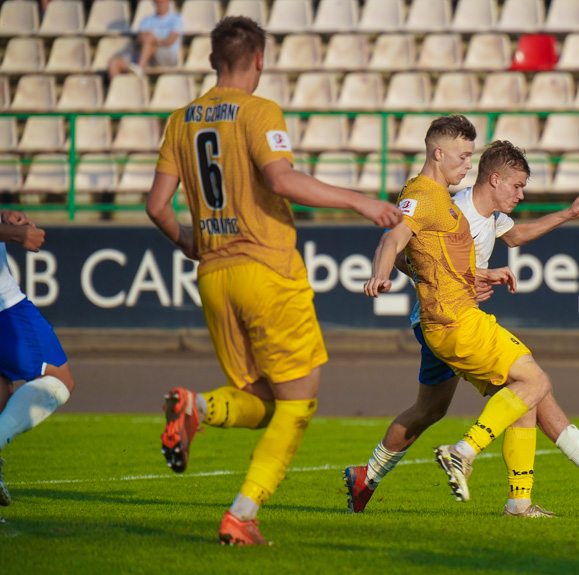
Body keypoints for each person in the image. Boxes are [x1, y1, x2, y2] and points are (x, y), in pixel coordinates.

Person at [145, 16, 402, 546]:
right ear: (259, 60)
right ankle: (242, 513)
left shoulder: (180, 120)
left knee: (262, 398)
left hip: (213, 274)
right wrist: (361, 201)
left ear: (213, 59)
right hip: (266, 269)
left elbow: (155, 206)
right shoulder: (260, 111)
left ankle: (198, 408)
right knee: (300, 399)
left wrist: (188, 243)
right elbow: (280, 178)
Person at [346, 141, 579, 518]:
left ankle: (367, 476)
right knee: (530, 385)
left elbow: (515, 236)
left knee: (429, 411)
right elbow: (408, 256)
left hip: (446, 321)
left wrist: (566, 214)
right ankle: (553, 473)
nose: (521, 194)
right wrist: (469, 277)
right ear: (495, 180)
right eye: (517, 186)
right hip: (447, 319)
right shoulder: (457, 210)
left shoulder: (491, 216)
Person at [0, 210, 76, 508]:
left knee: (3, 394)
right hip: (4, 308)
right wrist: (15, 234)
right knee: (59, 379)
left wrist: (4, 219)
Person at [108, 0, 182, 79]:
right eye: (158, 1)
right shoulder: (146, 20)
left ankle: (139, 69)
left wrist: (155, 40)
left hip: (166, 56)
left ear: (168, 1)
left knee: (150, 40)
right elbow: (138, 40)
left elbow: (170, 41)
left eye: (162, 1)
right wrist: (144, 38)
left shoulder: (176, 19)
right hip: (145, 54)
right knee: (114, 63)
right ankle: (118, 88)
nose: (160, 3)